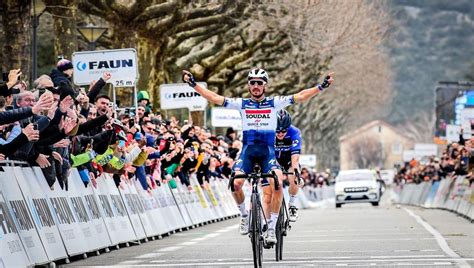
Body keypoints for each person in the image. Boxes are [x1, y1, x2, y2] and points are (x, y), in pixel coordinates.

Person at [182, 68, 334, 245]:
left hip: (267, 153)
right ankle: (245, 217)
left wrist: (321, 87)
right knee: (235, 183)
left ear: (265, 86)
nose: (255, 86)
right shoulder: (242, 104)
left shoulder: (274, 103)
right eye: (252, 82)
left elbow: (300, 96)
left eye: (259, 83)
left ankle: (271, 229)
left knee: (277, 184)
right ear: (248, 85)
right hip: (247, 152)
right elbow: (214, 98)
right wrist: (194, 84)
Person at [266, 109, 304, 223]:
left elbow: (295, 159)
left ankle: (292, 204)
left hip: (289, 160)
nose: (281, 133)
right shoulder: (267, 132)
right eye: (277, 131)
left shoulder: (294, 132)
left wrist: (297, 175)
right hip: (273, 160)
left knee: (294, 177)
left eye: (284, 131)